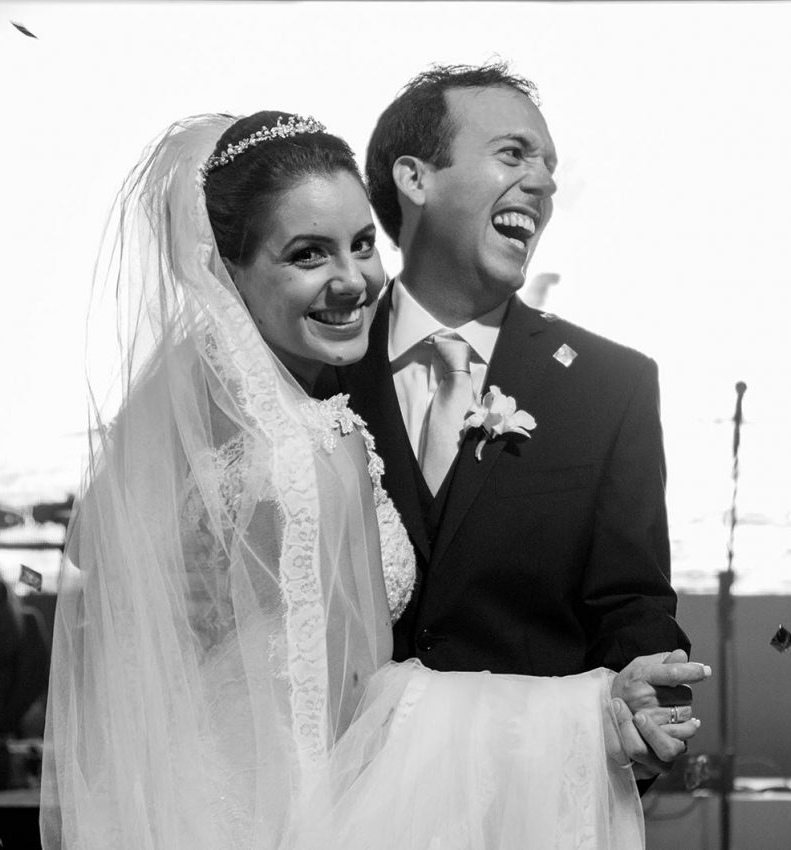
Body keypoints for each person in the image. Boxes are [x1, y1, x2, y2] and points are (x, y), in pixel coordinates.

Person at [40, 111, 707, 849]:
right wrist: (591, 718)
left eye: (361, 245)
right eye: (307, 254)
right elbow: (342, 719)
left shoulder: (256, 416)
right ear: (226, 271)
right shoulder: (306, 443)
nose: (352, 278)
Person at [316, 63, 693, 779]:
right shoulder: (312, 369)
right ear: (415, 179)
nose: (545, 183)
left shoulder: (613, 387)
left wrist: (646, 694)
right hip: (336, 797)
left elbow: (631, 600)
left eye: (549, 165)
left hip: (526, 790)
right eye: (514, 154)